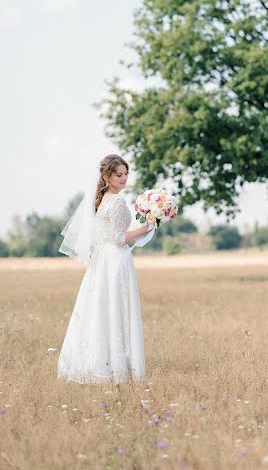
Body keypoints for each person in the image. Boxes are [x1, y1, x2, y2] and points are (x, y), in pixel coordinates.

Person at [57, 154, 155, 384]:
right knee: (116, 308)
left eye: (126, 174)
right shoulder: (117, 202)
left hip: (103, 261)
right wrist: (149, 225)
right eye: (118, 174)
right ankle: (118, 367)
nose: (123, 178)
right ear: (106, 176)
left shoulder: (101, 201)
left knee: (102, 308)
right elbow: (120, 238)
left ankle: (102, 363)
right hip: (115, 260)